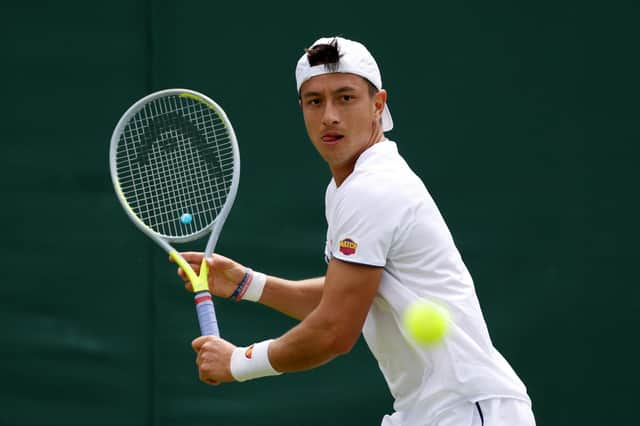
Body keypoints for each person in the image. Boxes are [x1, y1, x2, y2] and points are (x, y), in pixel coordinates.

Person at [174, 36, 536, 426]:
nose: (329, 115)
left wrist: (238, 362)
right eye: (315, 101)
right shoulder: (348, 187)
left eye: (345, 98)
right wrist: (250, 284)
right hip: (435, 411)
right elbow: (346, 297)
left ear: (378, 105)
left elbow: (334, 331)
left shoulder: (372, 188)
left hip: (468, 411)